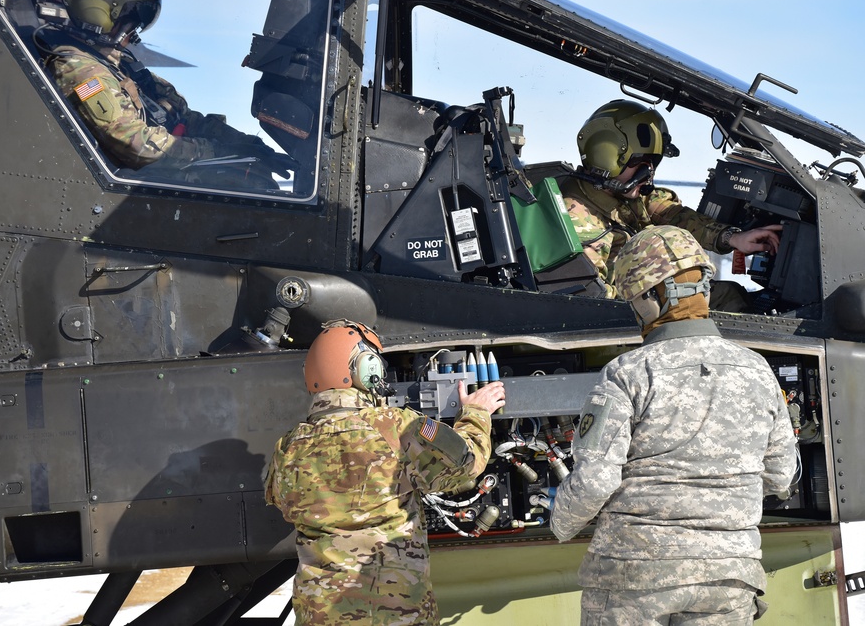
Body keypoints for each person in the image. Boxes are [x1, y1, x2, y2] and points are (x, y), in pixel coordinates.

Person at [541, 225, 798, 625]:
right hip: (728, 577)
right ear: (705, 287)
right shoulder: (758, 371)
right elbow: (782, 477)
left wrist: (558, 523)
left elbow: (594, 482)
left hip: (635, 577)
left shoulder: (627, 373)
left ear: (647, 300)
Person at [264, 320, 506, 625]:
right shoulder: (395, 426)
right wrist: (476, 413)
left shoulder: (288, 448)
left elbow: (279, 501)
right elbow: (467, 463)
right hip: (396, 613)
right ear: (366, 369)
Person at [37, 0, 291, 181]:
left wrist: (249, 145)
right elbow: (135, 144)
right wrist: (217, 152)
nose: (133, 33)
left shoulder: (122, 66)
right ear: (98, 9)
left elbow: (185, 118)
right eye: (132, 19)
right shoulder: (80, 70)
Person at [560, 99, 782, 307]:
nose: (649, 173)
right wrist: (664, 302)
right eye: (641, 163)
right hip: (626, 318)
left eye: (653, 163)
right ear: (606, 156)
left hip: (644, 302)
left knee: (728, 296)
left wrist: (732, 237)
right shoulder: (578, 218)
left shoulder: (629, 196)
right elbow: (590, 300)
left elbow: (677, 215)